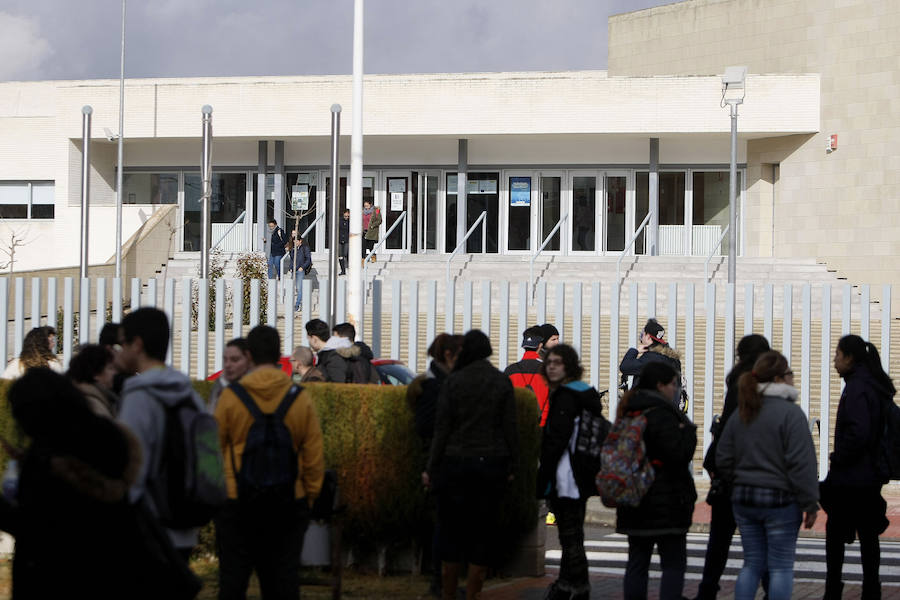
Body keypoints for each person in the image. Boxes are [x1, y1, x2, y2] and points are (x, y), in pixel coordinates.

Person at [0, 368, 199, 599]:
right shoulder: (109, 438)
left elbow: (38, 528)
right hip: (117, 571)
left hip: (59, 578)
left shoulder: (49, 459)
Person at [214, 325, 325, 600]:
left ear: (249, 356)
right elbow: (313, 458)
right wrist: (307, 499)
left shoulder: (230, 398)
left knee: (232, 583)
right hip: (287, 502)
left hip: (237, 502)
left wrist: (220, 496)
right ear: (280, 356)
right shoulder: (298, 399)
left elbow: (212, 452)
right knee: (282, 584)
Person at [716, 350, 819, 600]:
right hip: (781, 500)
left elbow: (723, 457)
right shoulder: (791, 414)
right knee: (781, 566)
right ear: (778, 378)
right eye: (790, 373)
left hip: (744, 497)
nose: (793, 377)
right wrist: (810, 502)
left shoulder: (744, 411)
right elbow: (802, 464)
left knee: (752, 563)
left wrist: (739, 478)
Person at [425, 330, 518, 600]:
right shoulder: (501, 382)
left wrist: (432, 467)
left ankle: (449, 592)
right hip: (491, 465)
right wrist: (513, 465)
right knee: (483, 532)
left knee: (451, 531)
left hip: (455, 465)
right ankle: (474, 593)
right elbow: (509, 429)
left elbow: (442, 430)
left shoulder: (454, 382)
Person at [116, 307, 206, 559]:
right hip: (185, 524)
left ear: (137, 344)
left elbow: (131, 467)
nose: (119, 351)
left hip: (147, 528)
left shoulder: (139, 397)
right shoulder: (189, 394)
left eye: (122, 343)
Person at [694, 334, 771, 600]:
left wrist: (718, 462)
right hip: (760, 471)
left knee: (719, 538)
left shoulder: (737, 381)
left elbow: (727, 426)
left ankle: (707, 591)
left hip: (732, 472)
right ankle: (772, 591)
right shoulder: (768, 385)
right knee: (761, 540)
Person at [615, 361, 697, 600]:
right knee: (672, 564)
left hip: (633, 498)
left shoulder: (629, 411)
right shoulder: (664, 415)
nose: (676, 390)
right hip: (666, 501)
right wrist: (688, 432)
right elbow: (678, 454)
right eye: (674, 384)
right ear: (661, 385)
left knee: (637, 563)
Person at [821, 335, 893, 600]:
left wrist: (839, 457)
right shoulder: (871, 384)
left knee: (835, 535)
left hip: (852, 477)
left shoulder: (857, 388)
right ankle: (871, 589)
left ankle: (833, 590)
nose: (834, 361)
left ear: (850, 358)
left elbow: (859, 432)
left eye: (838, 355)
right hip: (869, 475)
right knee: (868, 536)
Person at [536, 344, 604, 600]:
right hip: (584, 472)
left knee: (570, 537)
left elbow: (557, 440)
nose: (551, 366)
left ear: (569, 367)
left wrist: (543, 478)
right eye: (549, 362)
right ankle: (566, 585)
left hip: (566, 476)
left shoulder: (565, 396)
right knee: (573, 533)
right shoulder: (586, 393)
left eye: (558, 362)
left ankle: (579, 587)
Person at [406, 332, 464, 598]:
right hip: (440, 464)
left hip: (447, 462)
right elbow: (426, 427)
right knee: (443, 525)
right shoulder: (432, 385)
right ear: (449, 356)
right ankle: (438, 583)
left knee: (449, 525)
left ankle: (445, 582)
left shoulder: (444, 382)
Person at [504, 326, 551, 426]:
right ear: (540, 345)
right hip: (540, 429)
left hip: (515, 429)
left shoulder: (510, 371)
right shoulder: (548, 371)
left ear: (524, 346)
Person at [619, 318, 682, 393]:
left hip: (650, 402)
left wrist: (635, 351)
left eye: (643, 334)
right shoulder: (671, 358)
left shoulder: (651, 358)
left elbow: (625, 366)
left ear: (648, 337)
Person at [67, 343, 119, 417]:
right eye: (110, 368)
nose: (115, 373)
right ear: (96, 373)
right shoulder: (93, 405)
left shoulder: (81, 396)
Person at [208, 338, 250, 413]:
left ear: (249, 360)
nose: (227, 365)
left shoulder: (259, 388)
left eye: (235, 360)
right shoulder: (219, 385)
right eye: (225, 360)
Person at [305, 318, 351, 383]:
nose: (309, 341)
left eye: (308, 338)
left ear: (314, 339)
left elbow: (338, 384)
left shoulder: (333, 356)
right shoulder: (329, 354)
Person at [288, 234, 312, 314]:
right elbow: (292, 260)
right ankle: (293, 304)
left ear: (300, 241)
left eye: (296, 241)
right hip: (293, 270)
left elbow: (308, 259)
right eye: (294, 241)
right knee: (292, 288)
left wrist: (303, 267)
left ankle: (297, 304)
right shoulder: (293, 249)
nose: (295, 243)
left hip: (300, 270)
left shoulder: (305, 248)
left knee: (299, 288)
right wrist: (290, 268)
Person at [339, 208, 350, 275]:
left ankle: (349, 267)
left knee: (346, 253)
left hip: (347, 239)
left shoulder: (351, 222)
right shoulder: (340, 220)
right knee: (340, 256)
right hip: (340, 239)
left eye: (348, 216)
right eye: (345, 216)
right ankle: (343, 270)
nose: (347, 217)